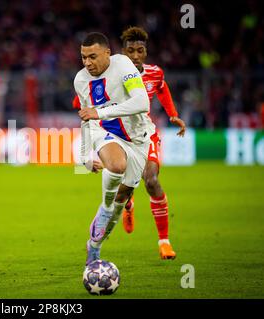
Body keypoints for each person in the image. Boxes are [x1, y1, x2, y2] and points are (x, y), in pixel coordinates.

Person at [74, 32, 155, 265]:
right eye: (83, 57)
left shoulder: (123, 64)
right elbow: (86, 117)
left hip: (138, 140)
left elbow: (142, 103)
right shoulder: (81, 80)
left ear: (108, 53)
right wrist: (85, 157)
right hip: (105, 131)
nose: (88, 63)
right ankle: (106, 207)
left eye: (93, 56)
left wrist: (100, 112)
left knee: (123, 197)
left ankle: (95, 245)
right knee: (117, 165)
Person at [120, 26, 186, 260]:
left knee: (151, 180)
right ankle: (128, 205)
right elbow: (85, 94)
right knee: (124, 187)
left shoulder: (154, 73)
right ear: (123, 52)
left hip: (145, 134)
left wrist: (173, 114)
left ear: (145, 52)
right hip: (118, 137)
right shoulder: (110, 73)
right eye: (130, 51)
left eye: (140, 51)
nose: (136, 56)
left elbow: (162, 88)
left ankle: (164, 242)